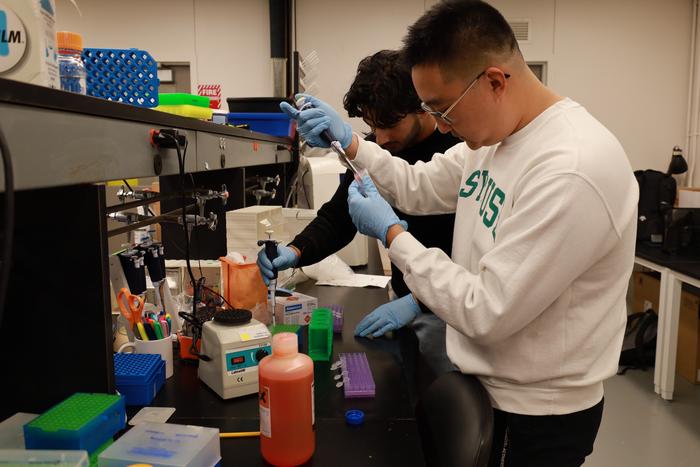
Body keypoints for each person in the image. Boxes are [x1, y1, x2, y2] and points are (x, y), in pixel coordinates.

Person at [280, 1, 638, 465]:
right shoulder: (496, 141)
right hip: (484, 382)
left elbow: (486, 308)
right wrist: (351, 143)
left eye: (442, 109)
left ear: (493, 80)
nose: (442, 125)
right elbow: (420, 184)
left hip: (536, 414)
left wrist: (392, 235)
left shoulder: (571, 168)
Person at [258, 49, 460, 375]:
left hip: (454, 309)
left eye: (388, 125)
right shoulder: (378, 147)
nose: (379, 137)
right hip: (403, 299)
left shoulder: (458, 151)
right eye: (371, 126)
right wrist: (295, 251)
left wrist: (422, 302)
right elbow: (339, 215)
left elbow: (475, 253)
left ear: (422, 107)